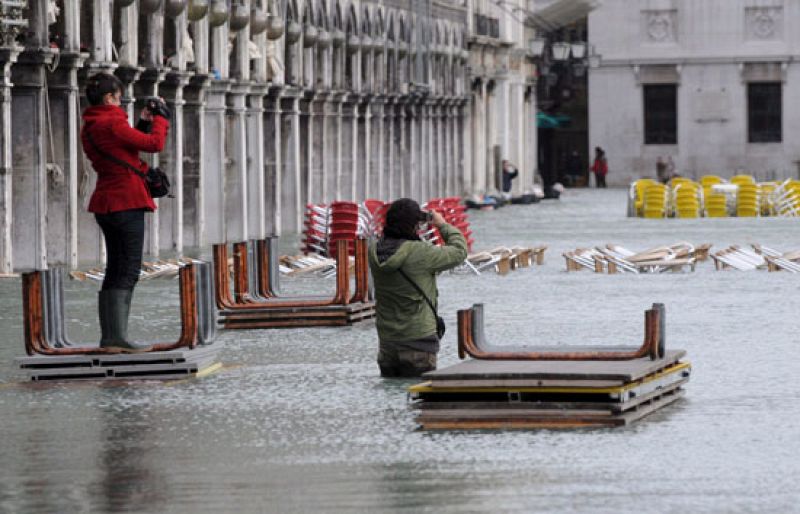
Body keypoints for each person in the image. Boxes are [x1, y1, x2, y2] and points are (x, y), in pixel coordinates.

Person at [81, 72, 171, 353]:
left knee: (115, 269)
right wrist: (162, 118)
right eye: (119, 99)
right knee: (128, 270)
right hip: (126, 202)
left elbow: (127, 147)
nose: (121, 105)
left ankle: (111, 338)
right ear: (109, 99)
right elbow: (154, 145)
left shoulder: (93, 125)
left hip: (107, 203)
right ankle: (116, 338)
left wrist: (144, 121)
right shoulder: (111, 122)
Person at [368, 199, 468, 377]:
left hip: (387, 344)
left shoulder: (373, 250)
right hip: (418, 342)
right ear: (415, 225)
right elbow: (459, 251)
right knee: (417, 400)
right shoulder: (420, 252)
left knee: (392, 398)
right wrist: (442, 225)